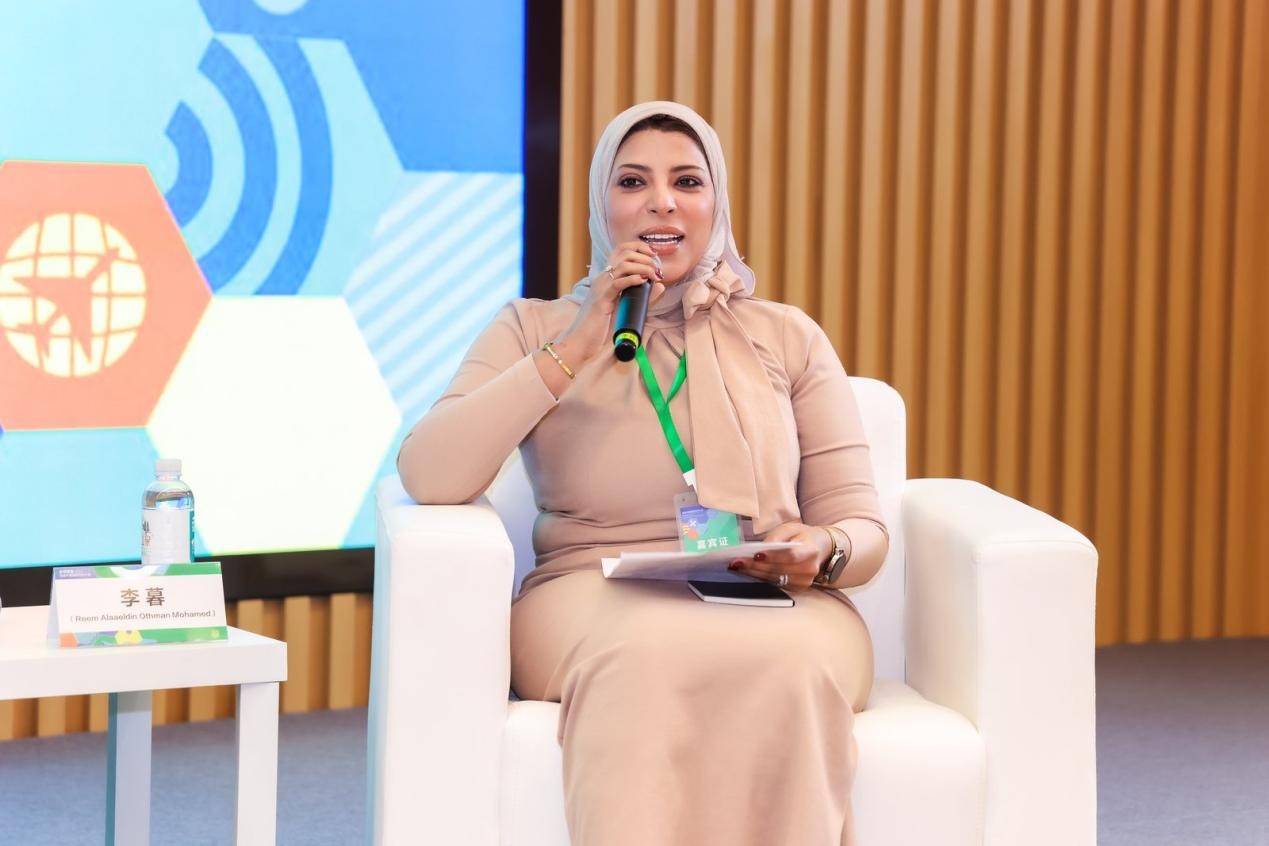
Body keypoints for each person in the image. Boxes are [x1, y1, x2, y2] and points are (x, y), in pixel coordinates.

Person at [398, 101, 889, 846]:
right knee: (645, 649)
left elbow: (861, 524)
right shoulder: (534, 327)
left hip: (771, 593)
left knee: (791, 662)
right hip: (591, 591)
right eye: (633, 182)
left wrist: (824, 549)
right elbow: (429, 472)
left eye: (687, 181)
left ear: (716, 204)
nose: (662, 201)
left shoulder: (786, 336)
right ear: (602, 204)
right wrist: (578, 343)